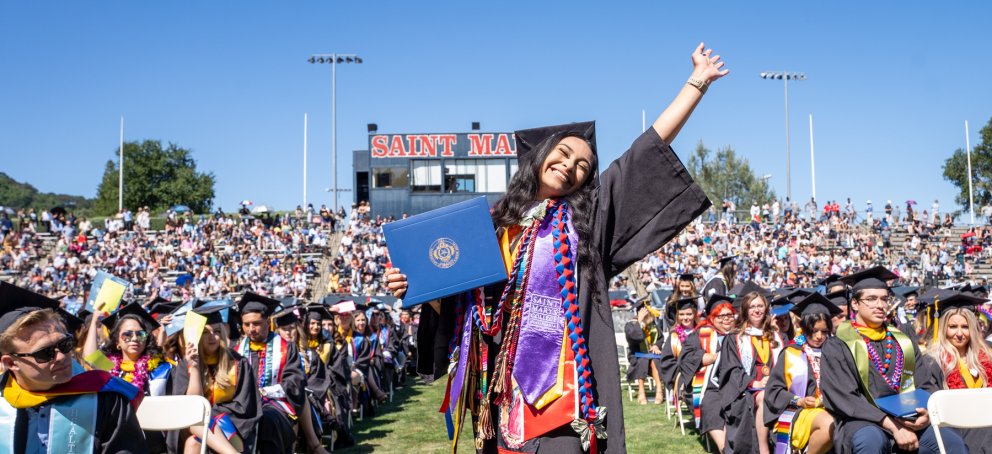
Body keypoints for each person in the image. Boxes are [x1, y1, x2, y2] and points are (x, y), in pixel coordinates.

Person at [387, 42, 725, 453]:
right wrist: (417, 283)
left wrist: (696, 83)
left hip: (563, 397)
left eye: (583, 166)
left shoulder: (586, 224)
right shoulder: (489, 227)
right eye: (564, 153)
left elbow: (644, 153)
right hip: (499, 394)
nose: (571, 166)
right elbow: (462, 306)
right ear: (541, 156)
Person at [820, 267, 966, 454]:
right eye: (871, 299)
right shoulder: (838, 345)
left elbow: (924, 384)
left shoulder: (902, 339)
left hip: (909, 417)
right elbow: (846, 398)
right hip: (865, 421)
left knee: (951, 442)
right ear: (855, 304)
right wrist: (893, 427)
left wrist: (927, 414)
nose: (880, 305)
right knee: (870, 442)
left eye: (884, 298)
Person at [0, 282, 146, 453]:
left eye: (65, 344)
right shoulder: (4, 403)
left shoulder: (105, 397)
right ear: (10, 363)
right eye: (45, 353)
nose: (61, 357)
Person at [168, 304, 262, 454]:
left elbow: (245, 407)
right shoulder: (185, 365)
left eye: (217, 331)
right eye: (205, 332)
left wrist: (210, 415)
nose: (212, 337)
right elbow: (190, 405)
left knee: (194, 443)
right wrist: (195, 368)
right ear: (197, 335)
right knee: (195, 417)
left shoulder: (239, 363)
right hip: (193, 427)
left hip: (230, 427)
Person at [764, 293, 840, 454]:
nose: (819, 336)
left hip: (833, 408)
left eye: (824, 331)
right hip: (800, 411)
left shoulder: (836, 351)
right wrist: (798, 400)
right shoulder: (792, 353)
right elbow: (773, 391)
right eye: (814, 330)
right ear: (804, 328)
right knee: (829, 425)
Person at [916, 291, 992, 452]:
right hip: (955, 428)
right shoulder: (932, 361)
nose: (959, 333)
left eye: (965, 327)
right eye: (952, 327)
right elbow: (935, 406)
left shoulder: (988, 355)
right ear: (943, 328)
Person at [235, 292, 306, 454]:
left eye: (256, 323)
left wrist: (265, 392)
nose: (251, 329)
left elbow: (295, 382)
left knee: (267, 419)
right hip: (244, 406)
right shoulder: (237, 351)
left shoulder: (286, 348)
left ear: (268, 322)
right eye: (246, 325)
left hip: (277, 405)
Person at [718, 288, 785, 454]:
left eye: (760, 306)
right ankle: (764, 448)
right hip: (746, 390)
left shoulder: (776, 336)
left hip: (776, 385)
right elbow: (731, 369)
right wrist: (753, 382)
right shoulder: (734, 338)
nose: (757, 310)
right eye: (752, 306)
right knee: (763, 396)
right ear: (745, 311)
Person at [679, 294, 737, 451]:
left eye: (729, 315)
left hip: (737, 386)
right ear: (712, 318)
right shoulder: (701, 334)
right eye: (720, 315)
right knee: (711, 405)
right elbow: (685, 358)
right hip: (710, 387)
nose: (726, 319)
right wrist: (706, 357)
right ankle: (725, 447)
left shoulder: (741, 335)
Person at [623, 300, 663, 405]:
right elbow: (633, 338)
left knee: (655, 359)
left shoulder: (653, 325)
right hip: (637, 355)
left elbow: (660, 338)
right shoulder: (631, 325)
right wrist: (639, 322)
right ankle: (641, 391)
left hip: (652, 355)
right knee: (643, 360)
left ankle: (659, 389)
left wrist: (656, 345)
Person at [658, 296, 699, 392]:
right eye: (681, 314)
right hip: (682, 377)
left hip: (702, 374)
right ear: (677, 316)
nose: (685, 318)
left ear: (695, 315)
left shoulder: (703, 332)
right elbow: (667, 362)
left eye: (689, 314)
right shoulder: (674, 337)